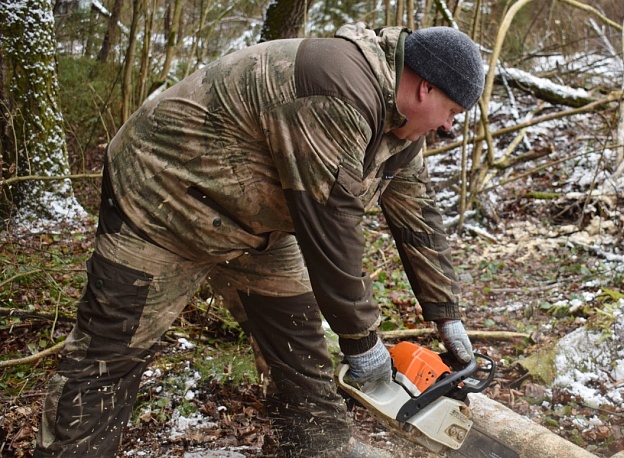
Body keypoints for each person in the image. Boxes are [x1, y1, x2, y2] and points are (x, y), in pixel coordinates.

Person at [34, 22, 484, 458]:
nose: (448, 128)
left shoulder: (401, 130)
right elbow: (331, 225)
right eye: (453, 112)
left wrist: (446, 315)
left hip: (255, 216)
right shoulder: (338, 88)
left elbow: (419, 218)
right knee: (109, 352)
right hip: (163, 197)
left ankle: (316, 448)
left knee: (297, 345)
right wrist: (362, 342)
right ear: (426, 87)